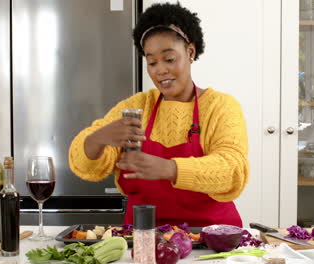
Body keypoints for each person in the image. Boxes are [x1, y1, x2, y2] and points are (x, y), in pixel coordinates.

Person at [68, 2, 249, 227]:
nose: (160, 70)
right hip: (144, 237)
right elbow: (86, 164)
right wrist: (98, 138)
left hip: (211, 239)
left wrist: (168, 169)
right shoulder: (137, 107)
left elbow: (232, 170)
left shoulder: (220, 106)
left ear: (190, 52)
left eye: (169, 59)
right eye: (151, 62)